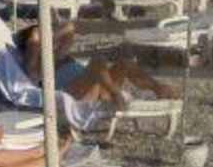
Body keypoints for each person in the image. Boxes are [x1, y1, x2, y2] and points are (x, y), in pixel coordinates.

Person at [13, 21, 174, 105]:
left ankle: (159, 88)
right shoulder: (34, 65)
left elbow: (70, 27)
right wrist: (35, 36)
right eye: (40, 35)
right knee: (98, 62)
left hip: (96, 86)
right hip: (74, 94)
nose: (43, 35)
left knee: (124, 62)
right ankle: (116, 94)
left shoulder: (56, 54)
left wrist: (48, 37)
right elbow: (33, 43)